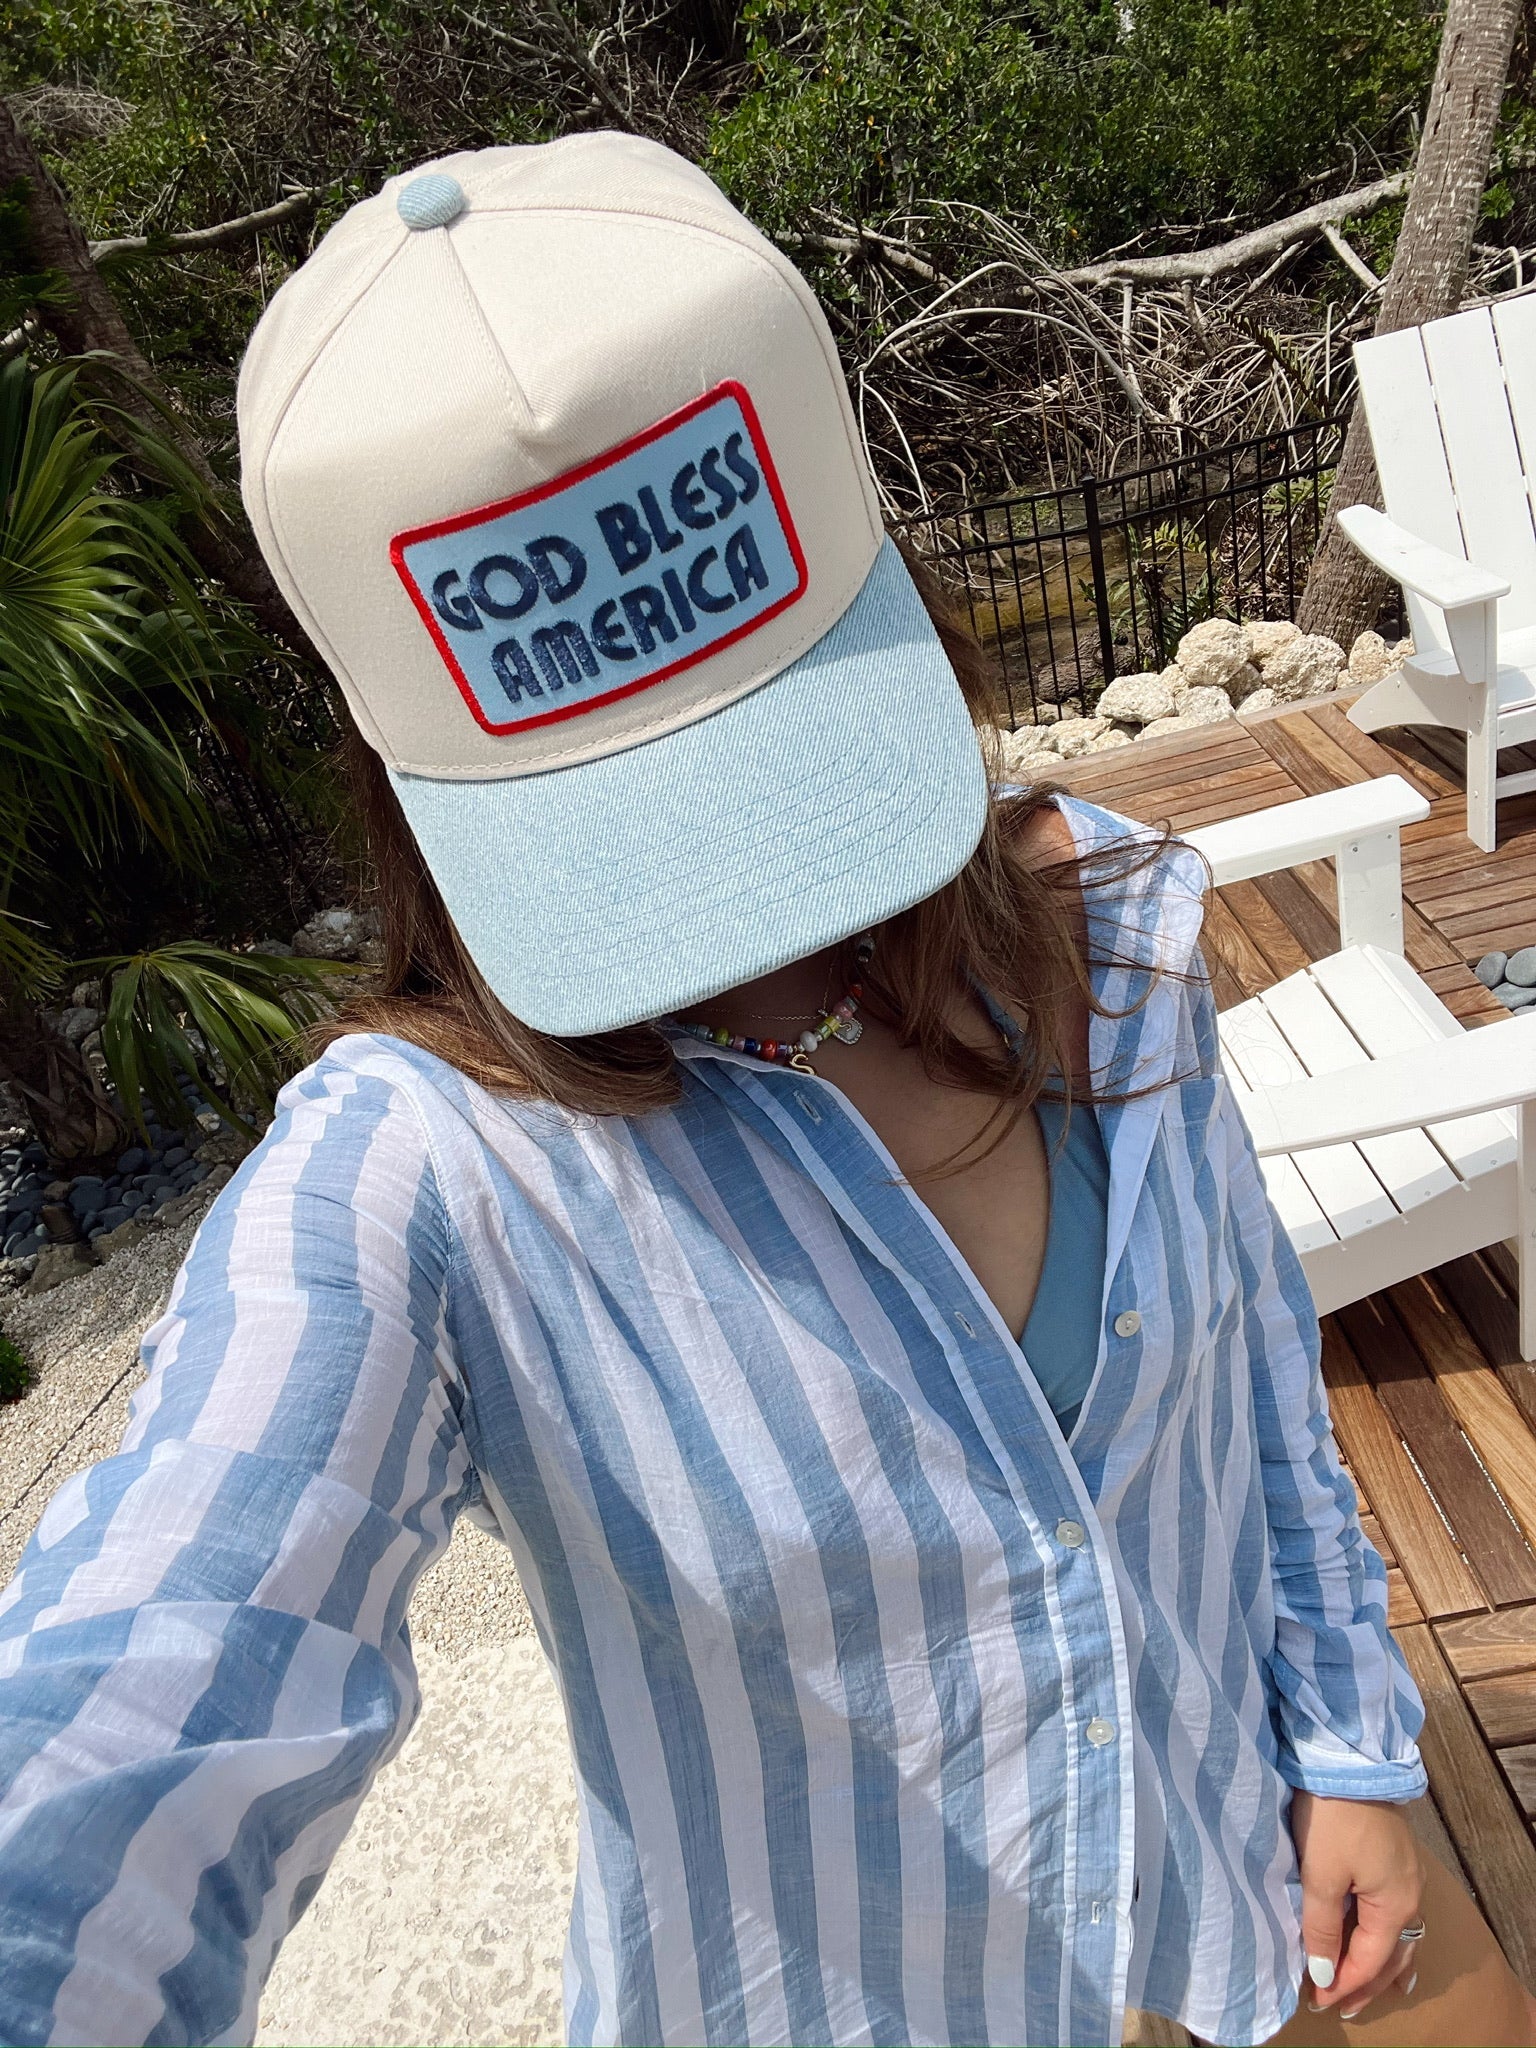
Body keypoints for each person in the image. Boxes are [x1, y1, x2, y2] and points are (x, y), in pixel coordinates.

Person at [0, 134, 1532, 2048]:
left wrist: (1355, 1745)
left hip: (1236, 1862)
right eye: (612, 814)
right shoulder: (425, 1174)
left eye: (771, 752)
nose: (750, 914)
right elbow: (158, 1660)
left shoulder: (1112, 931)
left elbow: (1255, 1385)